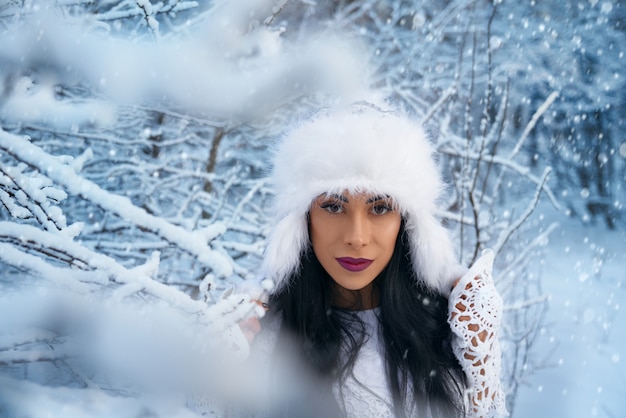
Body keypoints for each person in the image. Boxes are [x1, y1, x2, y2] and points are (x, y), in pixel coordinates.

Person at [253, 104, 507, 418]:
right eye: (333, 207)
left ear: (407, 222)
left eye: (380, 208)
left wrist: (480, 350)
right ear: (302, 220)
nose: (356, 237)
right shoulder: (264, 340)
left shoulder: (445, 331)